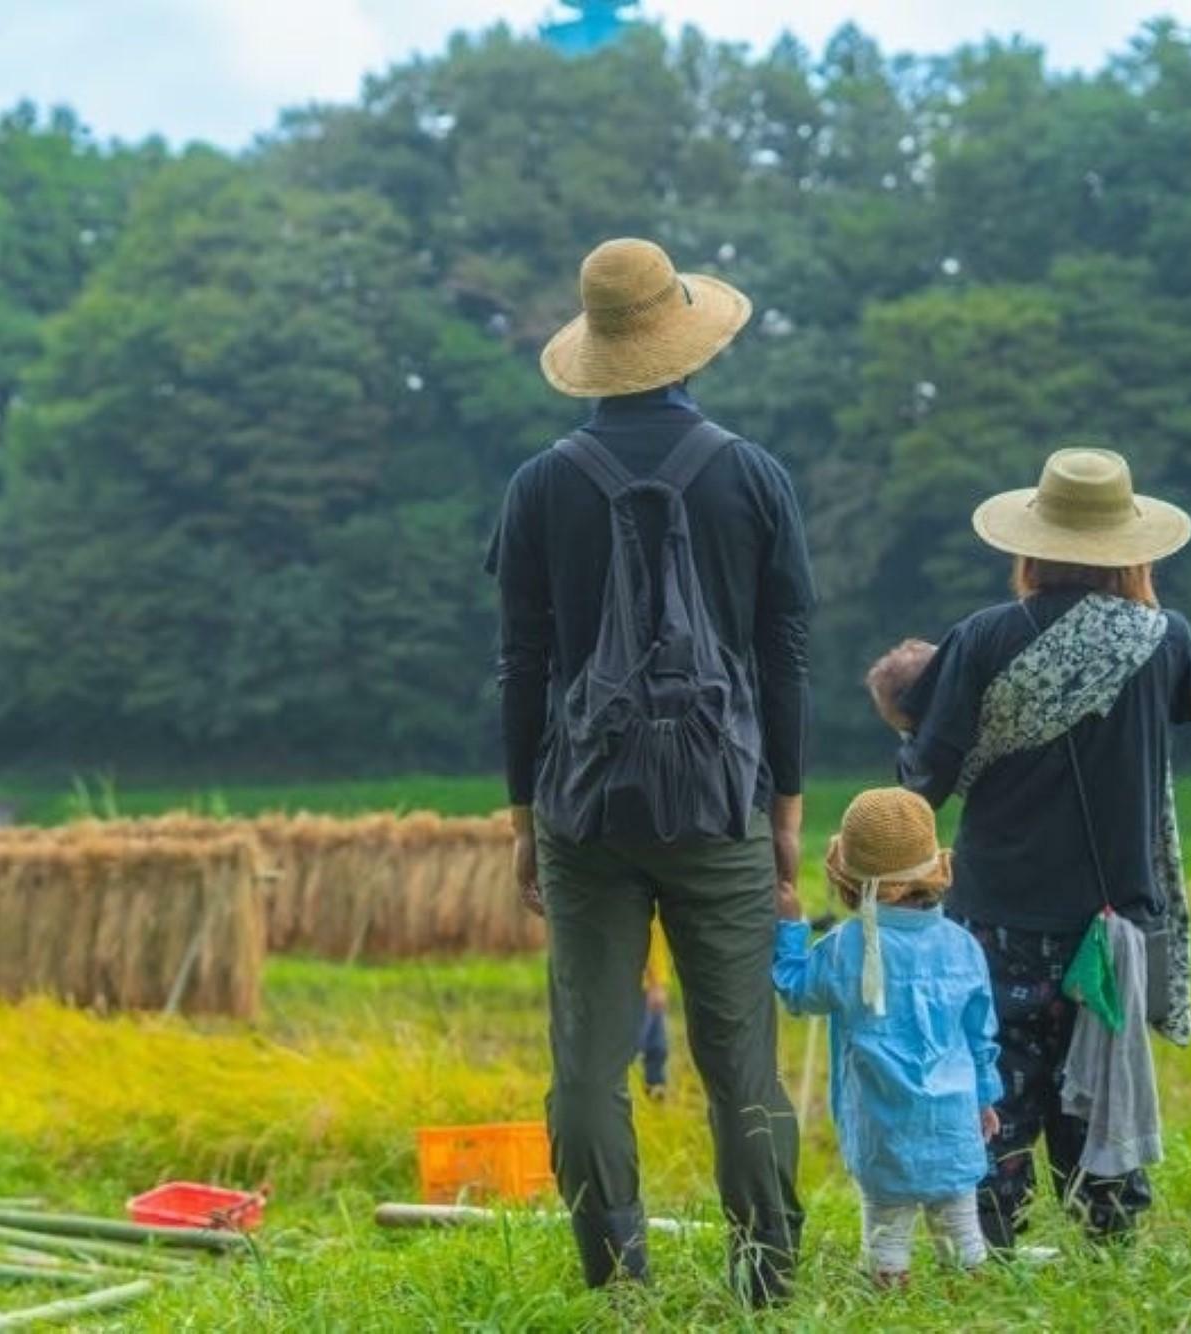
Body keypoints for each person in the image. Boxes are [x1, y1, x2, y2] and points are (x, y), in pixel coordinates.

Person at [488, 237, 813, 1303]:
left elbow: (522, 665)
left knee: (587, 1059)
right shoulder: (753, 475)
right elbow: (783, 656)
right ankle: (764, 1280)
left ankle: (616, 1284)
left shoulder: (538, 487)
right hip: (721, 800)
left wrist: (522, 818)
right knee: (740, 1065)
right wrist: (784, 811)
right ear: (687, 344)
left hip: (584, 809)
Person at [893, 447, 1191, 1250]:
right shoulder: (1164, 638)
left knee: (996, 1081)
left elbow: (925, 777)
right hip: (1116, 917)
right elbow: (1189, 706)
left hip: (999, 913)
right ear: (1130, 551)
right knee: (1102, 1085)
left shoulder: (985, 637)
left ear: (1030, 545)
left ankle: (991, 1244)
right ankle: (1109, 1243)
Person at [772, 786, 1001, 1285]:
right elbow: (981, 1037)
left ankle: (892, 1311)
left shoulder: (845, 948)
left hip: (882, 1133)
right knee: (964, 1240)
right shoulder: (963, 946)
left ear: (850, 883)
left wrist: (789, 929)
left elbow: (795, 992)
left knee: (887, 1241)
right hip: (955, 1125)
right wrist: (986, 1098)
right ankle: (976, 1318)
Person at [638, 919, 671, 1099]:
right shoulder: (650, 917)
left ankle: (655, 1087)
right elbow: (651, 949)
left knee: (657, 1045)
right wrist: (656, 985)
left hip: (653, 985)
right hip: (644, 987)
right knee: (639, 1042)